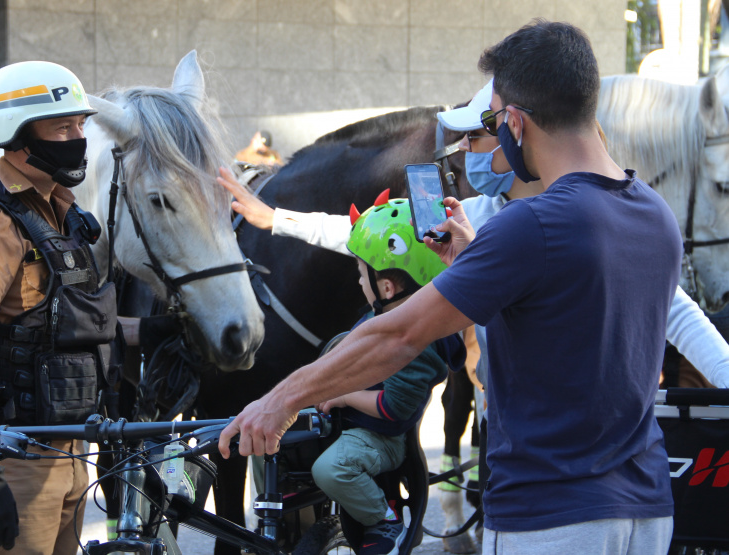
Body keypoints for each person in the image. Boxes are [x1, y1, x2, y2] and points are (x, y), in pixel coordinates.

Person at [219, 20, 680, 554]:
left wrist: (281, 399)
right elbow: (577, 345)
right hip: (646, 511)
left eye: (487, 124)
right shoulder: (654, 214)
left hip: (551, 518)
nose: (478, 144)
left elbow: (396, 336)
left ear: (514, 121)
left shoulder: (530, 226)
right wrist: (474, 264)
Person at [0, 61, 108, 553]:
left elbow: (57, 324)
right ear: (16, 136)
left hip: (67, 453)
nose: (78, 137)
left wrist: (154, 331)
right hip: (9, 460)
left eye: (80, 125)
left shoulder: (58, 210)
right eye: (62, 126)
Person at [312, 194, 456, 555]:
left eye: (363, 276)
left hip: (380, 436)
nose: (360, 284)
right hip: (354, 422)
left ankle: (384, 519)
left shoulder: (414, 344)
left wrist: (344, 395)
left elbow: (395, 407)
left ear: (387, 288)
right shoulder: (382, 316)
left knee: (331, 469)